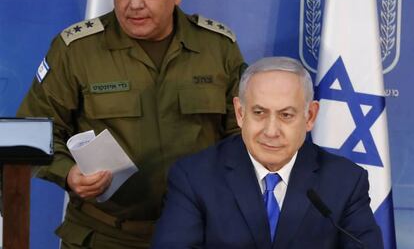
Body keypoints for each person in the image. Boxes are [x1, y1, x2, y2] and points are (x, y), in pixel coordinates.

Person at [17, 0, 245, 248]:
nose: (134, 3)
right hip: (105, 236)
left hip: (199, 234)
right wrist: (68, 173)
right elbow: (31, 132)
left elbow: (242, 134)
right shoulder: (76, 51)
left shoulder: (218, 48)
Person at [152, 57, 384, 249]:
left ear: (310, 116)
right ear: (240, 113)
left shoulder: (345, 181)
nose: (271, 131)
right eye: (260, 113)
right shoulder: (194, 177)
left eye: (286, 115)